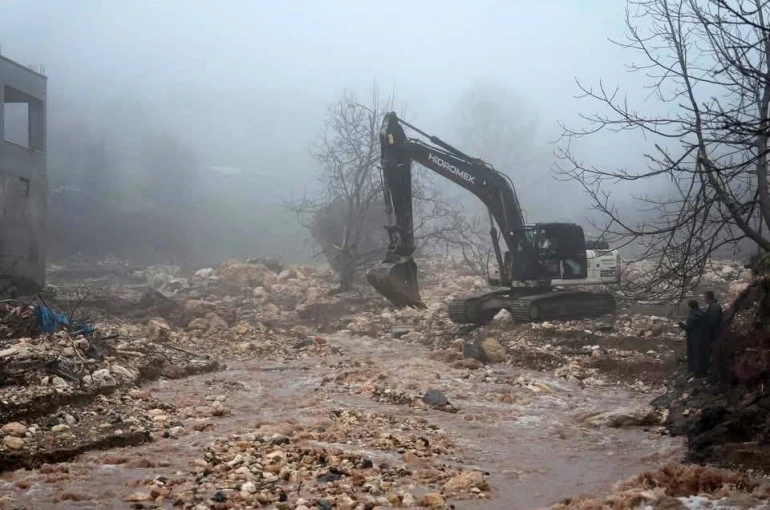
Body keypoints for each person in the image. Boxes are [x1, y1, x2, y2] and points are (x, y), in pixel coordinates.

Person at [679, 299, 708, 376]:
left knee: (695, 355)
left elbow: (689, 328)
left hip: (694, 338)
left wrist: (681, 325)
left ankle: (697, 372)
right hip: (703, 337)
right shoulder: (703, 313)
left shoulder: (692, 315)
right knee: (702, 354)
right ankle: (704, 370)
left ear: (690, 306)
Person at [702, 290, 724, 380]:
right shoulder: (714, 305)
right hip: (716, 332)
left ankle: (715, 372)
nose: (704, 299)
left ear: (708, 297)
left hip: (714, 333)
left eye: (705, 297)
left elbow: (713, 322)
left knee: (713, 352)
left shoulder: (714, 306)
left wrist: (708, 333)